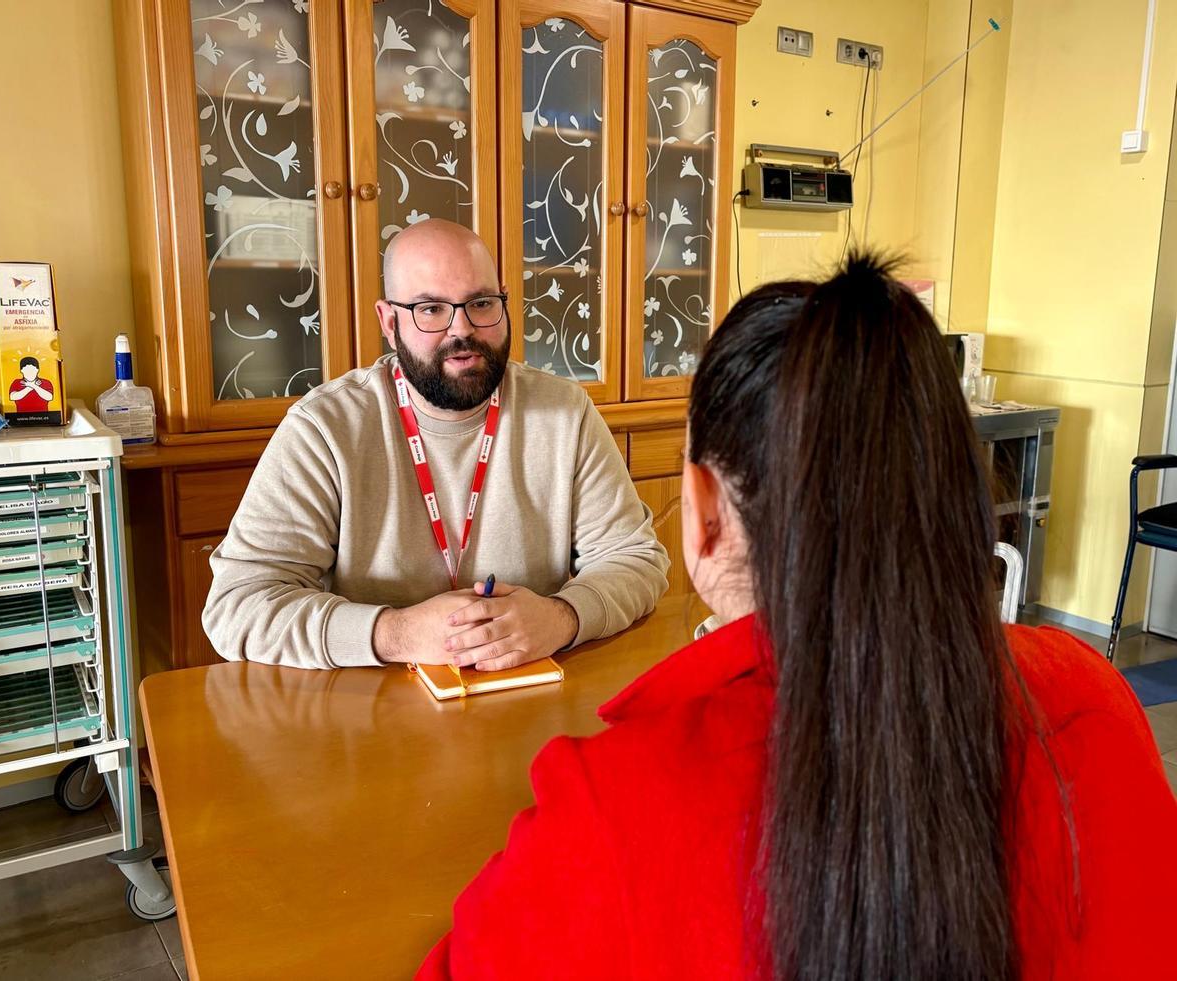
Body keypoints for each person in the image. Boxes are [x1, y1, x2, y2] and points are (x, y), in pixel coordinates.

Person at [417, 255, 1177, 979]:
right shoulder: (1095, 697)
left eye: (480, 303)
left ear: (705, 509)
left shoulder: (619, 804)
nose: (461, 325)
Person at [203, 220, 668, 670]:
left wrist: (562, 617)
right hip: (372, 705)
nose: (461, 329)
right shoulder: (323, 428)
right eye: (430, 309)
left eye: (481, 303)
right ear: (389, 322)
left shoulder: (565, 412)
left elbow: (635, 560)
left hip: (526, 689)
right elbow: (237, 605)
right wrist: (396, 633)